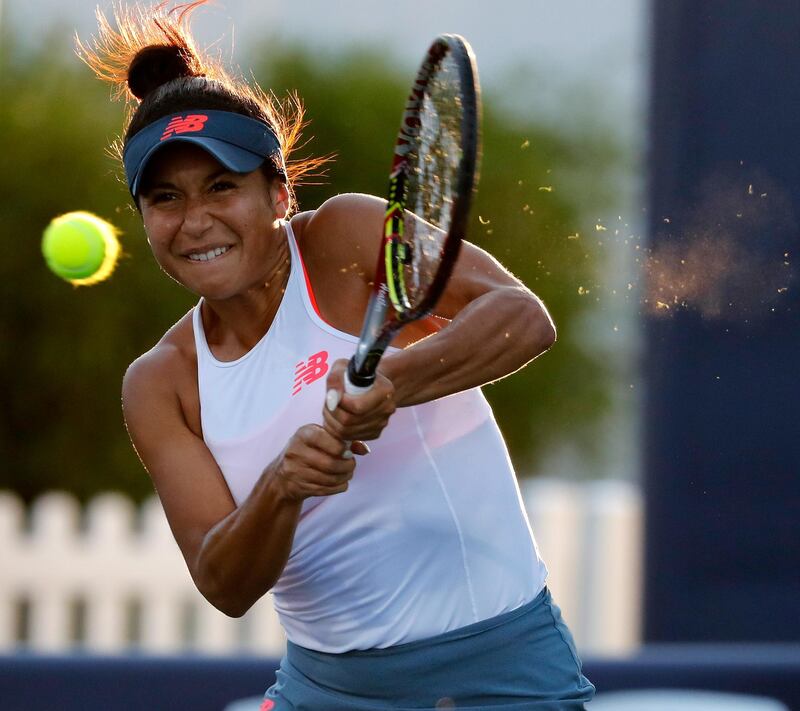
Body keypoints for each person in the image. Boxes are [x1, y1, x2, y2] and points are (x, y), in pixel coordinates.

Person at [80, 2, 595, 709]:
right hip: (327, 690)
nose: (195, 221)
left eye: (222, 186)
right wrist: (282, 485)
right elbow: (224, 583)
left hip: (497, 671)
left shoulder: (346, 239)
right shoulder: (160, 381)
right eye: (165, 198)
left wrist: (396, 379)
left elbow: (523, 318)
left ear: (279, 192)